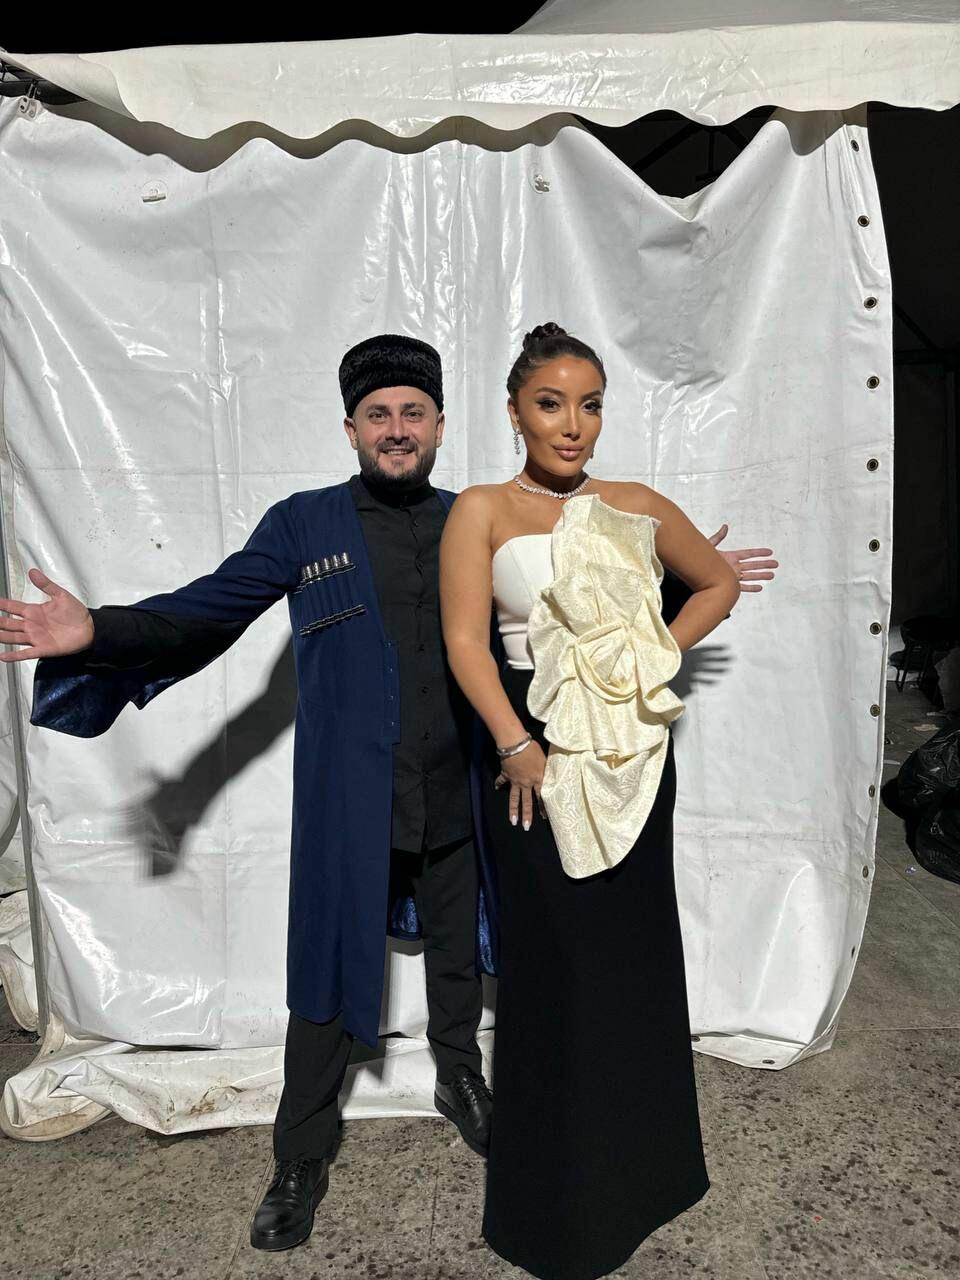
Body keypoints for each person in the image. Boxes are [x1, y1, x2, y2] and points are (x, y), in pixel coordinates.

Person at [1, 331, 773, 1264]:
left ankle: (460, 1079)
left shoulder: (470, 518)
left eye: (414, 413)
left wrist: (659, 570)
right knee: (326, 969)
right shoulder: (304, 524)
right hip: (350, 796)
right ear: (351, 429)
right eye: (379, 416)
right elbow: (210, 608)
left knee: (460, 953)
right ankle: (299, 1154)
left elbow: (564, 600)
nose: (397, 429)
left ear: (441, 426)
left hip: (469, 784)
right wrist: (98, 630)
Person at [439, 322, 745, 1280]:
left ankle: (651, 1173)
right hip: (530, 751)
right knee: (552, 967)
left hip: (633, 754)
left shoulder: (635, 503)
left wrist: (647, 656)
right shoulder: (482, 509)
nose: (573, 425)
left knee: (633, 956)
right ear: (515, 411)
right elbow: (465, 644)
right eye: (551, 404)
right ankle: (557, 1205)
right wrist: (515, 744)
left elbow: (718, 583)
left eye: (591, 404)